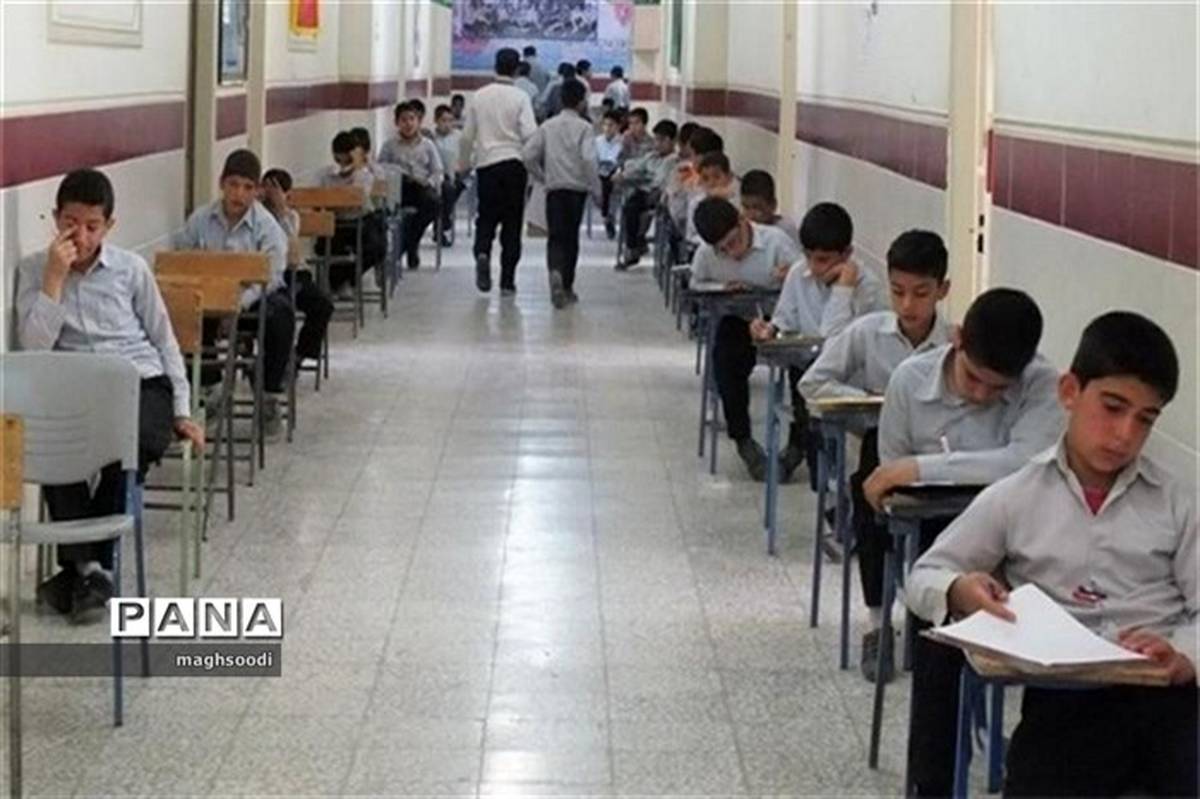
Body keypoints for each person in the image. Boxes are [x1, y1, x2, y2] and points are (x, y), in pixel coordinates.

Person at [907, 311, 1194, 797]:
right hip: (1065, 702)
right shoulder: (1016, 496)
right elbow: (926, 573)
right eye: (1113, 407)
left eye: (1145, 419)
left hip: (1166, 697)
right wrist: (960, 589)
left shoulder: (1177, 502)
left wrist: (1185, 656)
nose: (1125, 434)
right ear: (1069, 391)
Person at [866, 287, 1063, 796]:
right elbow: (891, 482)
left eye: (998, 389)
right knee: (940, 640)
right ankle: (931, 785)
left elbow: (1027, 462)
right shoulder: (909, 381)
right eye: (973, 378)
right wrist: (916, 474)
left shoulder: (1044, 383)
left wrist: (924, 468)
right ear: (956, 339)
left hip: (1023, 541)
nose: (981, 395)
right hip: (943, 543)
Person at [16, 168, 203, 620]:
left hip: (138, 381)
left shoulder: (131, 269)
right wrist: (55, 280)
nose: (80, 236)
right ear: (56, 219)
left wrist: (182, 409)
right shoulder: (34, 270)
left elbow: (164, 340)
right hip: (72, 390)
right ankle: (94, 571)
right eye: (70, 223)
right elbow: (34, 350)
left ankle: (81, 568)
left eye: (92, 226)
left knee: (133, 443)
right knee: (54, 446)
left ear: (109, 226)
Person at [797, 229, 951, 680]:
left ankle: (929, 624)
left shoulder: (954, 345)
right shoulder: (867, 332)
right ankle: (878, 624)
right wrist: (865, 399)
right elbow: (812, 382)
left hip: (937, 457)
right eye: (898, 291)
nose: (908, 304)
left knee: (944, 528)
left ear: (942, 289)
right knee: (867, 504)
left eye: (921, 293)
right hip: (878, 445)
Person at [736, 202, 885, 481]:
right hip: (807, 369)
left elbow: (834, 341)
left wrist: (843, 289)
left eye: (825, 260)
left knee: (832, 463)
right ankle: (802, 445)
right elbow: (784, 319)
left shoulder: (868, 287)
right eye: (810, 257)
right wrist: (768, 329)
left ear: (847, 254)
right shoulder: (798, 273)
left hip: (851, 381)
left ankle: (807, 449)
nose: (815, 267)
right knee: (819, 467)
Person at [176, 149, 296, 438]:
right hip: (209, 296)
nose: (238, 194)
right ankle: (211, 387)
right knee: (181, 311)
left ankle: (268, 394)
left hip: (254, 297)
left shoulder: (267, 226)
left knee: (282, 315)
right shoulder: (200, 220)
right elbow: (182, 261)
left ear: (256, 191)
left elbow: (272, 276)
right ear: (222, 183)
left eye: (247, 187)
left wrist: (237, 303)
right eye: (233, 185)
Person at [690, 198, 803, 479]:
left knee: (805, 367)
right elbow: (696, 283)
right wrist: (721, 287)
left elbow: (806, 278)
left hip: (780, 318)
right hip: (739, 319)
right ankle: (743, 440)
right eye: (723, 249)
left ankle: (799, 445)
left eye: (734, 241)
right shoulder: (706, 254)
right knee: (725, 360)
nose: (733, 252)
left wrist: (790, 276)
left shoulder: (776, 242)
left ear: (743, 221)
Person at [460, 47, 537, 295]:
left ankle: (483, 252)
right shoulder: (521, 97)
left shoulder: (479, 96)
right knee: (512, 225)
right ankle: (507, 281)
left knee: (486, 218)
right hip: (514, 165)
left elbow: (466, 136)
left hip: (487, 166)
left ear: (494, 66)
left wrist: (463, 164)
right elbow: (530, 134)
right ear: (517, 69)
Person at [523, 78, 598, 310]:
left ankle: (554, 271)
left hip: (554, 189)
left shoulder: (548, 126)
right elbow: (588, 159)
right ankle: (566, 285)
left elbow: (528, 155)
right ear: (582, 102)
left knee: (555, 236)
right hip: (577, 190)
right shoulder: (585, 128)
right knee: (571, 238)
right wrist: (596, 188)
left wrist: (541, 176)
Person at [260, 168, 335, 368]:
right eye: (265, 187)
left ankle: (300, 354)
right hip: (267, 275)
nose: (269, 193)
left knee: (323, 305)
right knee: (278, 312)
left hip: (293, 273)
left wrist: (279, 211)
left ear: (287, 194)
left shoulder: (291, 216)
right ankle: (269, 361)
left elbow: (292, 252)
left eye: (275, 189)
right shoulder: (255, 216)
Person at [378, 101, 443, 269]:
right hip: (399, 190)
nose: (408, 124)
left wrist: (428, 182)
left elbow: (438, 172)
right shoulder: (389, 146)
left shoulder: (428, 145)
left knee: (435, 204)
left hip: (422, 188)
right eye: (404, 120)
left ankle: (407, 246)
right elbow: (380, 170)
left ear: (418, 121)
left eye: (412, 119)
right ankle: (411, 247)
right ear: (397, 123)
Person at [320, 130, 382, 297]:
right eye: (338, 158)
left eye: (347, 158)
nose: (342, 163)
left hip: (362, 220)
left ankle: (349, 278)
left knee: (377, 247)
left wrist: (358, 167)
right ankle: (338, 283)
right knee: (328, 246)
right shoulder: (326, 175)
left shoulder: (364, 175)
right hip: (336, 222)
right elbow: (322, 199)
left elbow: (357, 197)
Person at [615, 118, 678, 270]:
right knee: (630, 204)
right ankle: (634, 245)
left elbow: (660, 181)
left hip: (660, 196)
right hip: (643, 192)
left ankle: (636, 244)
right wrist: (623, 175)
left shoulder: (673, 161)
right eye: (656, 140)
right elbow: (635, 167)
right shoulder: (651, 157)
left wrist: (643, 178)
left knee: (636, 205)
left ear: (672, 141)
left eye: (662, 140)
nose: (657, 144)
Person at [739, 170, 799, 249]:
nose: (750, 215)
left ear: (773, 205)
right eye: (746, 207)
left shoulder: (785, 228)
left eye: (757, 208)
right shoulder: (741, 229)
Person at [433, 104, 466, 247]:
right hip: (437, 176)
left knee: (454, 188)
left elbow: (469, 156)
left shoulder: (460, 137)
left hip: (456, 174)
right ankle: (443, 222)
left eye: (450, 120)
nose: (447, 124)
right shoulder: (431, 139)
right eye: (444, 120)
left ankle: (442, 222)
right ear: (436, 121)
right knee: (447, 191)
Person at [594, 110, 624, 240]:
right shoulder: (597, 141)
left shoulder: (623, 142)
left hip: (615, 173)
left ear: (618, 126)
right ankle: (607, 216)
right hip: (600, 173)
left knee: (612, 184)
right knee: (603, 184)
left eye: (611, 125)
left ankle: (608, 216)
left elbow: (622, 161)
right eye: (605, 125)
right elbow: (593, 160)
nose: (607, 128)